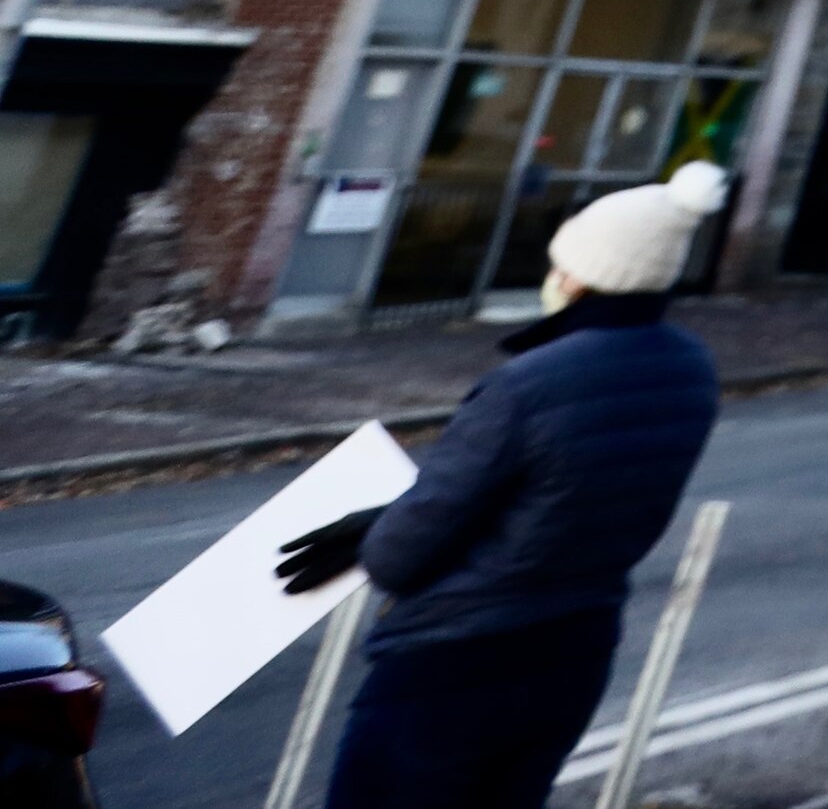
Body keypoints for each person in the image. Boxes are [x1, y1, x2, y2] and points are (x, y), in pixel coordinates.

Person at [273, 161, 728, 809]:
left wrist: (380, 529)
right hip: (578, 647)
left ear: (584, 275)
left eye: (562, 263)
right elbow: (561, 496)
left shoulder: (526, 384)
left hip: (454, 663)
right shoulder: (690, 368)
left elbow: (398, 556)